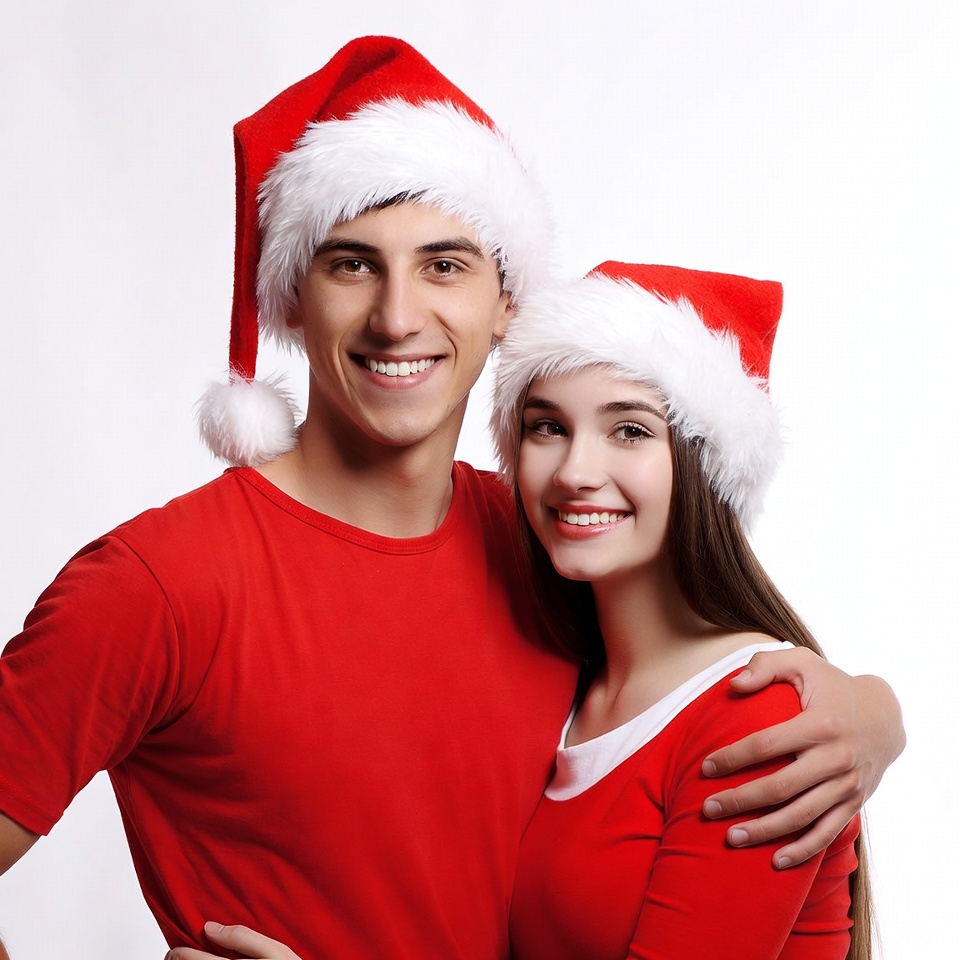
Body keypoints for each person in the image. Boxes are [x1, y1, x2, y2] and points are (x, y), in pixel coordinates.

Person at [0, 37, 901, 960]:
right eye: (351, 264)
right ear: (293, 300)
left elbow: (696, 677)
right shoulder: (160, 585)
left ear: (505, 300)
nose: (397, 317)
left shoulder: (546, 548)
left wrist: (873, 715)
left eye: (445, 265)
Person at [493, 262, 870, 958]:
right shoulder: (563, 684)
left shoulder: (756, 716)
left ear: (703, 465)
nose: (575, 471)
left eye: (629, 432)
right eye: (547, 427)